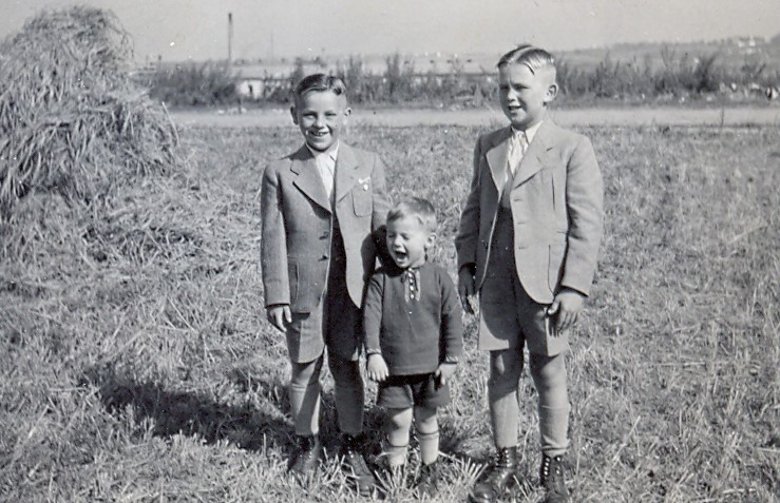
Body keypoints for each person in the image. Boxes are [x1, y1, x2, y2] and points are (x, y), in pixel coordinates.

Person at [456, 45, 604, 503]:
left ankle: (552, 463)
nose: (511, 96)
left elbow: (587, 224)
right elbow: (473, 210)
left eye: (521, 87)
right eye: (504, 87)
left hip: (545, 285)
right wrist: (465, 264)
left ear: (550, 92)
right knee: (501, 369)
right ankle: (505, 460)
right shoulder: (489, 145)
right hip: (496, 281)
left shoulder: (571, 148)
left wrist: (574, 287)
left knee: (548, 372)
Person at [260, 73, 390, 495]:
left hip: (352, 291)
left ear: (346, 115)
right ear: (294, 115)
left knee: (348, 366)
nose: (320, 124)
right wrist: (277, 294)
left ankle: (352, 443)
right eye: (309, 115)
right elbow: (272, 237)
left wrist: (388, 288)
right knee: (304, 367)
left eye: (329, 115)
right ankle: (307, 442)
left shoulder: (367, 165)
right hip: (304, 291)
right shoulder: (280, 172)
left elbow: (383, 230)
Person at [363, 198, 463, 496]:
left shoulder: (440, 278)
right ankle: (397, 471)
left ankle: (429, 469)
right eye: (391, 235)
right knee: (398, 419)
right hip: (394, 369)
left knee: (427, 418)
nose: (397, 243)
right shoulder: (381, 279)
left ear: (429, 240)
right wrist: (374, 353)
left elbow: (452, 318)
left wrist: (451, 359)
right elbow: (370, 317)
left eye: (406, 237)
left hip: (430, 369)